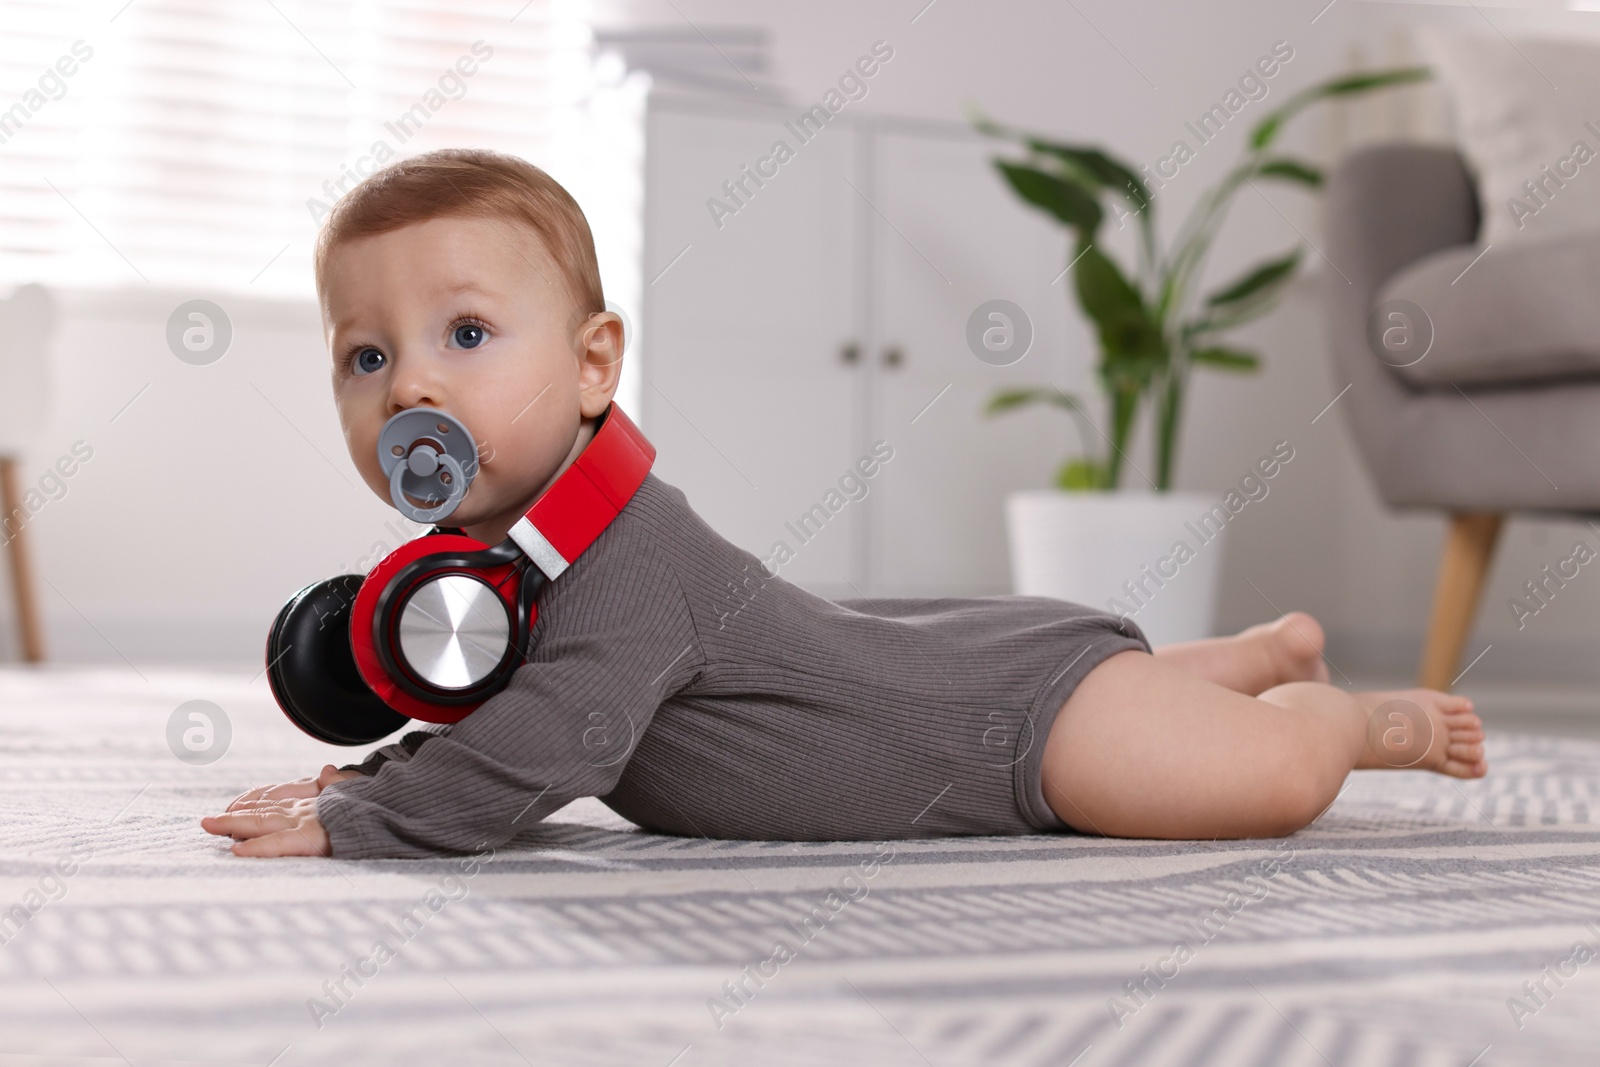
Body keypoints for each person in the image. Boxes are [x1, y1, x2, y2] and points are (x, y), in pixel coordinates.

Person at [201, 149, 1486, 860]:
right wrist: (376, 765)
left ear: (595, 365)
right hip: (942, 663)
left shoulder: (629, 558)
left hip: (1005, 740)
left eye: (465, 332)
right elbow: (504, 707)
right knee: (1138, 706)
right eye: (366, 357)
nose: (410, 381)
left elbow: (560, 738)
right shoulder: (498, 573)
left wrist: (371, 815)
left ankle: (1339, 712)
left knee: (1241, 780)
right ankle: (1242, 659)